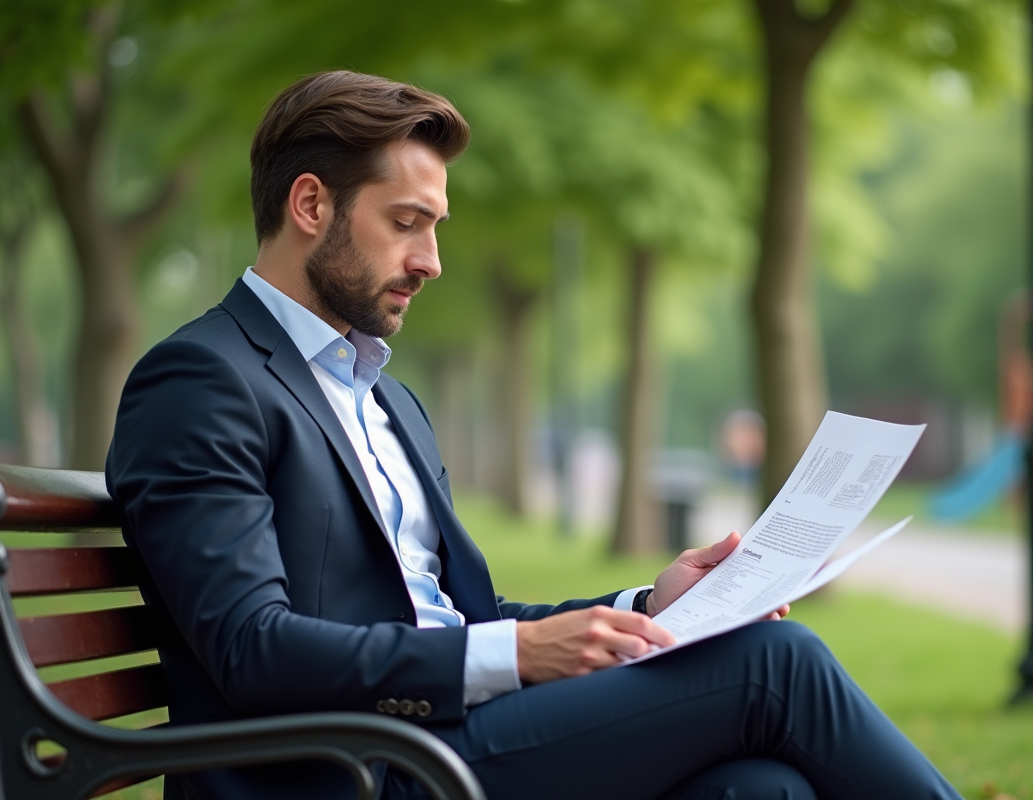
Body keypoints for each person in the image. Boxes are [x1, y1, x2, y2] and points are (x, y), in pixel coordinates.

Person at [106, 70, 963, 800]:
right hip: (357, 769)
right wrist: (517, 653)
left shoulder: (388, 401)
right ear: (309, 204)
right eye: (407, 222)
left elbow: (456, 621)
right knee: (776, 662)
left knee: (762, 788)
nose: (431, 259)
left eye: (435, 227)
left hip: (442, 742)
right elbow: (253, 650)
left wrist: (647, 609)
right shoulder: (201, 381)